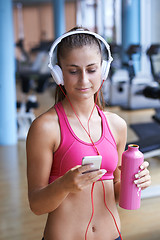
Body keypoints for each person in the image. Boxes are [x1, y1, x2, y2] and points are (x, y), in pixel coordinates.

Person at [26, 27, 151, 240]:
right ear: (59, 73)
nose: (84, 80)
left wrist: (135, 181)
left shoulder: (116, 125)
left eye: (91, 69)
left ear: (103, 70)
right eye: (73, 71)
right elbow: (37, 205)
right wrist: (64, 185)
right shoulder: (45, 128)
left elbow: (115, 190)